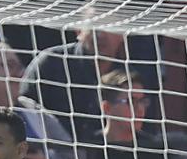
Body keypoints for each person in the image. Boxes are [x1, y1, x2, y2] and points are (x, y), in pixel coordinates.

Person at [20, 13, 161, 144]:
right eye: (93, 25)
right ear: (78, 30)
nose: (100, 34)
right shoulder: (51, 62)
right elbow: (24, 111)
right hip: (55, 157)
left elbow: (147, 126)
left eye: (109, 26)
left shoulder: (134, 74)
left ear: (123, 33)